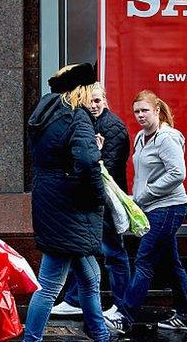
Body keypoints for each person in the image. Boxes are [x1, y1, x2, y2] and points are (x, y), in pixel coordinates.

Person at [17, 63, 137, 342]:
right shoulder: (77, 116)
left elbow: (58, 156)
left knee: (90, 276)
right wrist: (99, 198)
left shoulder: (46, 115)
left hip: (51, 201)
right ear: (82, 89)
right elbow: (87, 163)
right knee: (51, 286)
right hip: (72, 209)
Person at [106, 91, 187, 333]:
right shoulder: (140, 137)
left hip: (168, 207)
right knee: (171, 263)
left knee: (144, 261)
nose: (140, 116)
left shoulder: (168, 137)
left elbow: (178, 173)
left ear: (157, 110)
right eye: (136, 111)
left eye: (145, 110)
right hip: (150, 207)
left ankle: (124, 316)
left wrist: (146, 194)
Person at [51, 82, 131, 324]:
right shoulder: (83, 123)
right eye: (89, 101)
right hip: (90, 200)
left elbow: (105, 169)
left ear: (105, 100)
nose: (94, 105)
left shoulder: (113, 126)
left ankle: (122, 304)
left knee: (113, 253)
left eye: (98, 100)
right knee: (83, 250)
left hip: (105, 201)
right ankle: (75, 300)